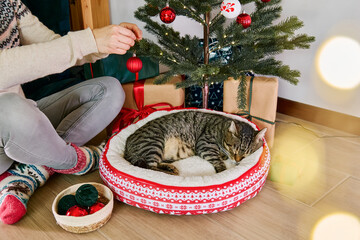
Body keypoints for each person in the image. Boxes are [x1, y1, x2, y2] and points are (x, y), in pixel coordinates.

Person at [0, 0, 142, 224]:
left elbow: (54, 46)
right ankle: (82, 160)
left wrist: (103, 44)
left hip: (24, 126)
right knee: (10, 107)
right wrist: (89, 39)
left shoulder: (9, 4)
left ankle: (26, 174)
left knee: (110, 90)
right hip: (12, 119)